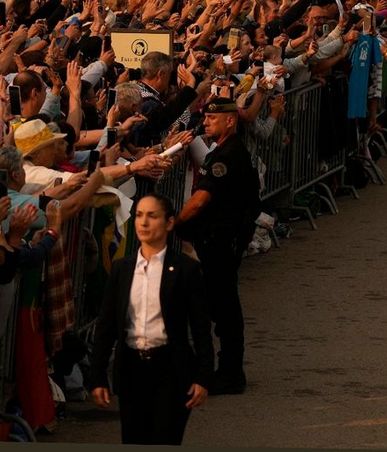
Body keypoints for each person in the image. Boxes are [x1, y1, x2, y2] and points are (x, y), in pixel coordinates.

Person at [87, 192, 214, 444]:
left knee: (165, 437)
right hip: (132, 370)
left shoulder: (185, 270)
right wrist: (97, 376)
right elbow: (107, 326)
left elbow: (200, 327)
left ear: (169, 223)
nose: (143, 223)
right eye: (139, 215)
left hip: (171, 370)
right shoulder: (122, 269)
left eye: (152, 216)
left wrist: (203, 377)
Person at [175, 97, 260, 395]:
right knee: (219, 304)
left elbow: (201, 200)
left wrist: (175, 223)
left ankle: (230, 372)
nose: (207, 122)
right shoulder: (222, 151)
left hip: (222, 240)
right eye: (206, 117)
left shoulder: (228, 154)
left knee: (224, 306)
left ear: (230, 121)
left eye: (213, 117)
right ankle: (224, 368)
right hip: (218, 239)